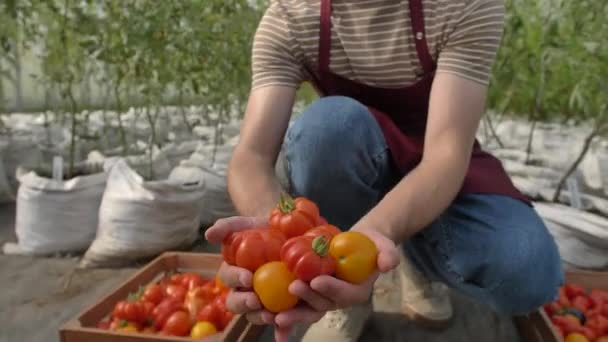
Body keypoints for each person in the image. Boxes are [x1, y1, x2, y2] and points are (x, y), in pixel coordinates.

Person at [204, 0, 564, 341]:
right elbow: (250, 158)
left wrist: (375, 234)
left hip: (439, 163)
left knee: (528, 273)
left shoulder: (462, 6)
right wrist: (279, 242)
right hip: (354, 155)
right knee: (328, 129)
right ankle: (345, 294)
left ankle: (416, 258)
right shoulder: (292, 17)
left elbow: (445, 155)